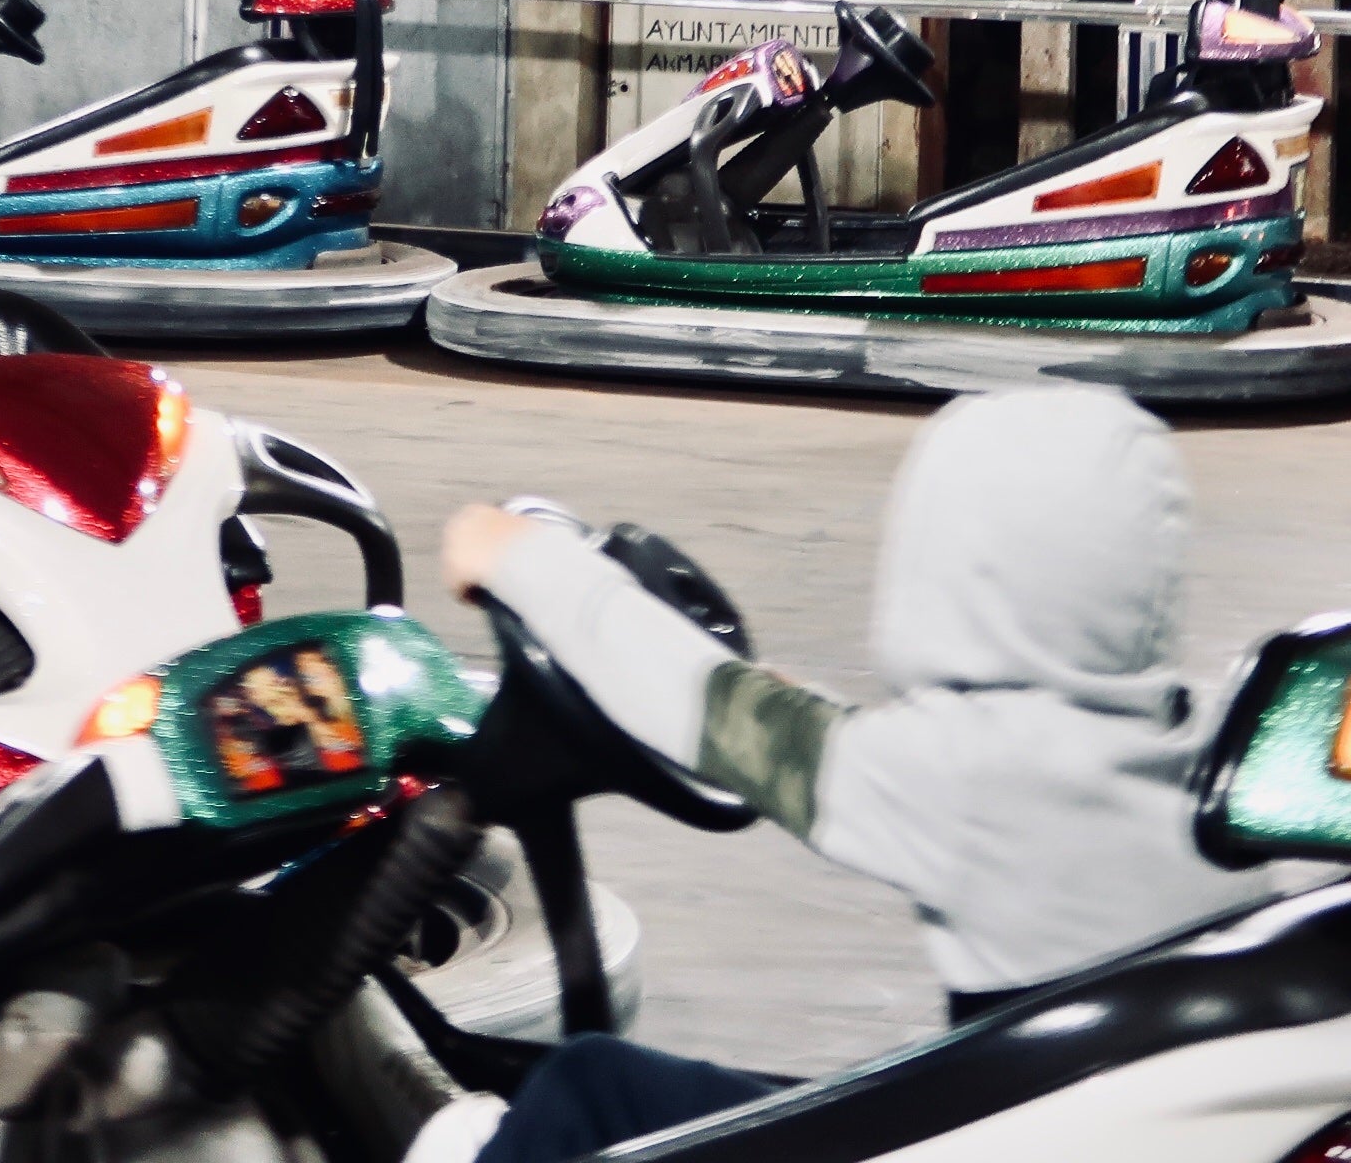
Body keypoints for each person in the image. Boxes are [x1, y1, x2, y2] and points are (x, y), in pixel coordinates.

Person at [418, 384, 1246, 1163]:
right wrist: (788, 702)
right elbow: (854, 744)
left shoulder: (972, 780)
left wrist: (523, 556)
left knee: (590, 1086)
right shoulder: (1191, 746)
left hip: (1001, 1138)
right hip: (1073, 1124)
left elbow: (696, 700)